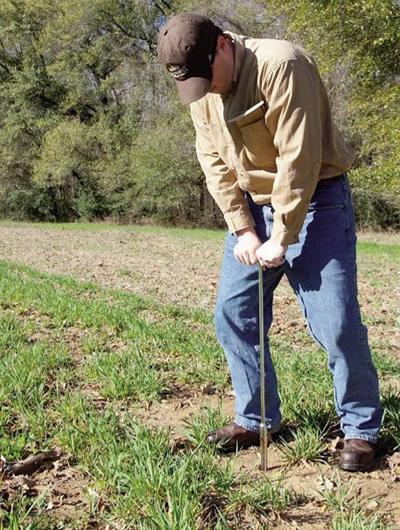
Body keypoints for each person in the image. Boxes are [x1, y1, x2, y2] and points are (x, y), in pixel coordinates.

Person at [157, 13, 382, 471]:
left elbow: (300, 159)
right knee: (233, 315)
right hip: (253, 208)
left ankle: (361, 428)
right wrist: (243, 227)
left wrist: (281, 236)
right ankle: (258, 419)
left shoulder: (282, 65)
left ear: (223, 45)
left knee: (336, 323)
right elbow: (214, 162)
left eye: (206, 75)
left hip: (315, 199)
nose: (204, 90)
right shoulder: (203, 90)